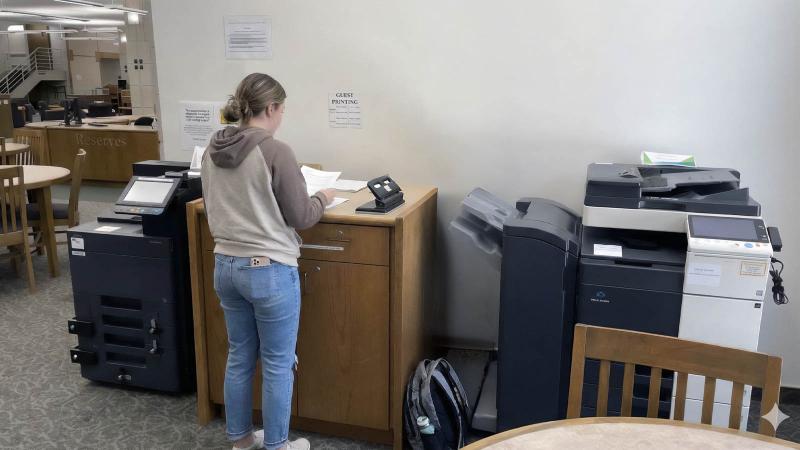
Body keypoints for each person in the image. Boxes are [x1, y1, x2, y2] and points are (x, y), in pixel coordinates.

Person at [201, 73, 335, 450]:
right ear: (272, 108)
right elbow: (302, 216)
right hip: (268, 268)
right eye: (282, 109)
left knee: (240, 356)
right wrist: (323, 196)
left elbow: (214, 206)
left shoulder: (212, 146)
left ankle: (241, 440)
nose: (282, 117)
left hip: (225, 264)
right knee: (277, 363)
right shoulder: (276, 151)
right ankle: (277, 445)